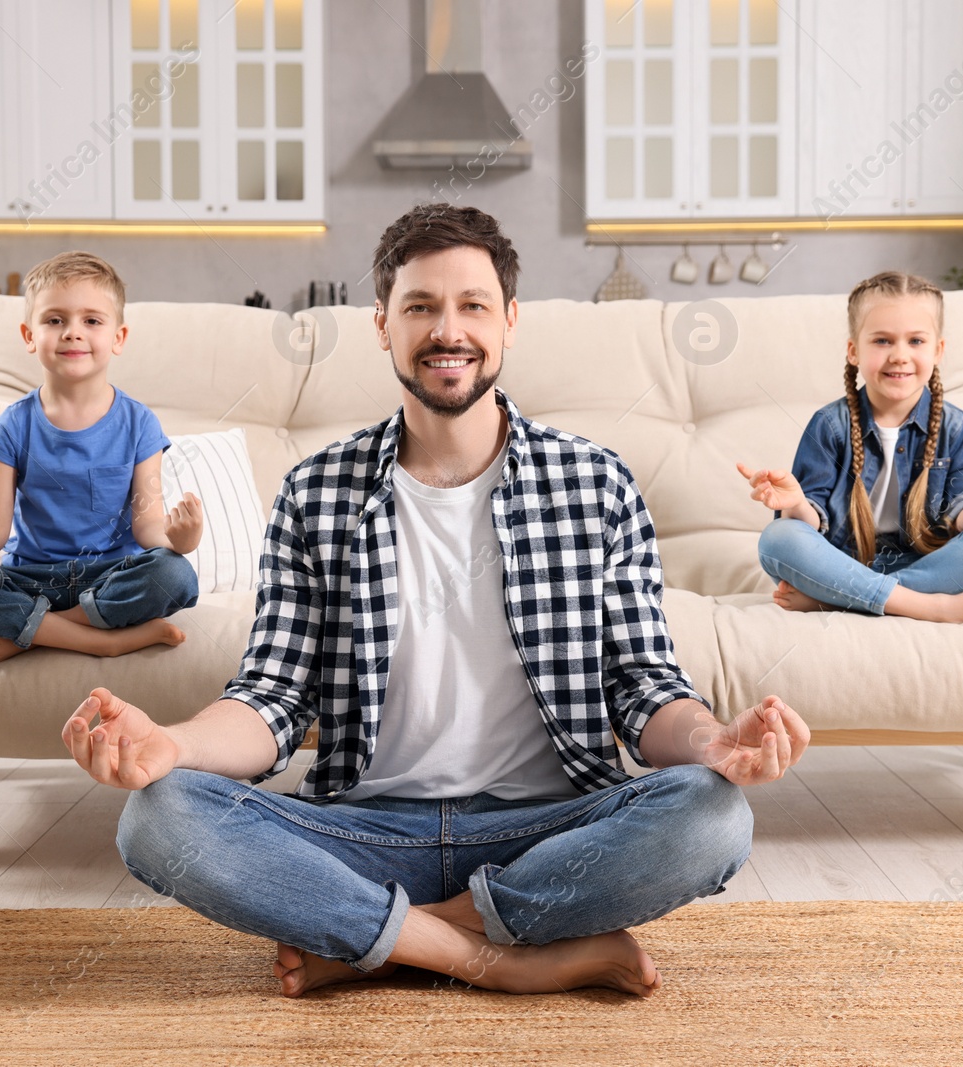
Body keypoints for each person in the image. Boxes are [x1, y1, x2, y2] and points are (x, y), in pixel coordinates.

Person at [68, 204, 811, 999]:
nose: (446, 329)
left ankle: (388, 938)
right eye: (420, 306)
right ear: (381, 323)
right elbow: (273, 699)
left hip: (549, 830)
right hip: (363, 827)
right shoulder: (316, 490)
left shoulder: (595, 484)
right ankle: (501, 954)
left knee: (714, 813)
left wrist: (712, 740)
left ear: (510, 321)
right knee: (157, 817)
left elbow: (644, 688)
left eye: (472, 306)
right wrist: (170, 746)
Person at [0, 251, 203, 661]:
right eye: (54, 320)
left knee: (174, 575)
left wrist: (179, 540)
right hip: (30, 577)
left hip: (110, 576)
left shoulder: (140, 423)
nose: (72, 332)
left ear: (118, 337)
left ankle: (33, 631)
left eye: (91, 320)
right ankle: (104, 641)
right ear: (29, 335)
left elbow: (148, 526)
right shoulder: (13, 425)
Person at [740, 270, 963, 622]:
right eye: (882, 341)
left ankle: (840, 598)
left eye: (915, 341)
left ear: (938, 350)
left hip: (930, 565)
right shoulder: (829, 425)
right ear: (854, 351)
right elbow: (810, 523)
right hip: (841, 563)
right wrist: (796, 503)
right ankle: (935, 607)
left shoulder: (957, 428)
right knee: (779, 538)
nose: (899, 355)